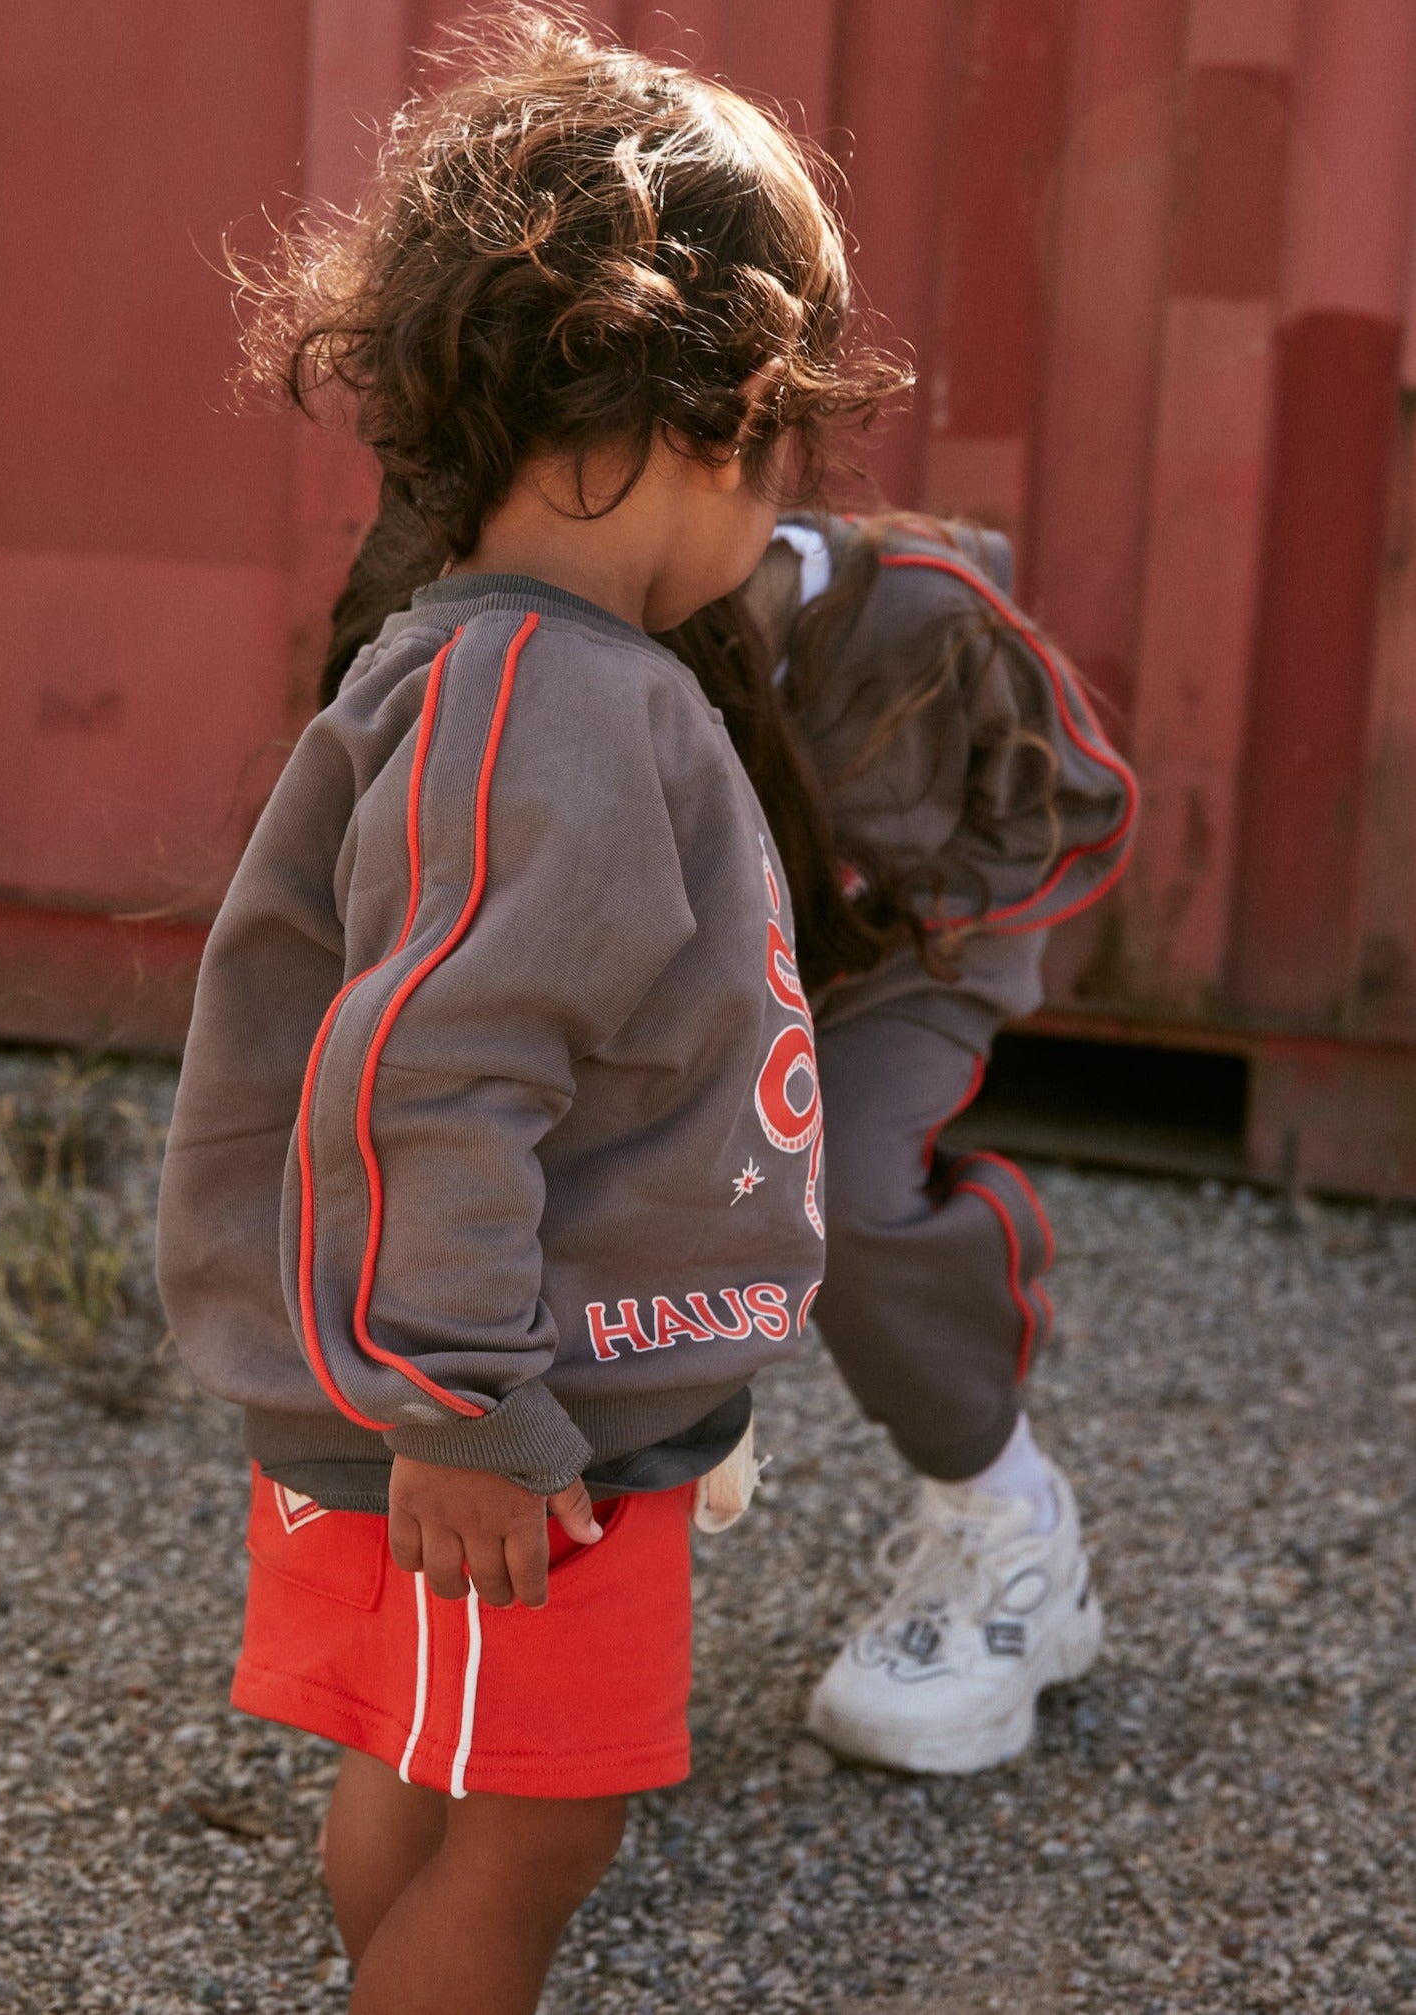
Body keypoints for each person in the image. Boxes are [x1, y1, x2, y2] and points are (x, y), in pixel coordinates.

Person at [156, 14, 907, 2015]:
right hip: (501, 1422)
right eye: (788, 442)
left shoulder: (496, 667)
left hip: (483, 1394)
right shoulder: (553, 696)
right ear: (720, 403)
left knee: (430, 1754)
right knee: (541, 1817)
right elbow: (436, 1065)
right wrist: (466, 1409)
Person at [323, 494, 1137, 1782]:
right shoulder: (518, 655)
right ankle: (617, 1481)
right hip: (704, 934)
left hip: (901, 956)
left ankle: (1013, 1522)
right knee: (599, 1156)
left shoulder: (923, 614)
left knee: (844, 1191)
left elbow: (1081, 798)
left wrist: (907, 923)